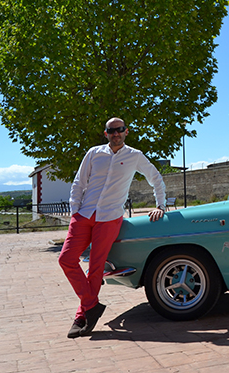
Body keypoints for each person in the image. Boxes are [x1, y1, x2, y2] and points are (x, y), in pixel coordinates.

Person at [58, 117, 167, 338]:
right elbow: (79, 182)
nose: (116, 133)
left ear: (126, 131)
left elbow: (155, 177)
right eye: (111, 130)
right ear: (106, 133)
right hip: (84, 214)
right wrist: (75, 210)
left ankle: (82, 316)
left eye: (119, 130)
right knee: (66, 259)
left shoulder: (135, 156)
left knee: (96, 268)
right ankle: (92, 306)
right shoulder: (94, 153)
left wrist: (160, 205)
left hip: (109, 218)